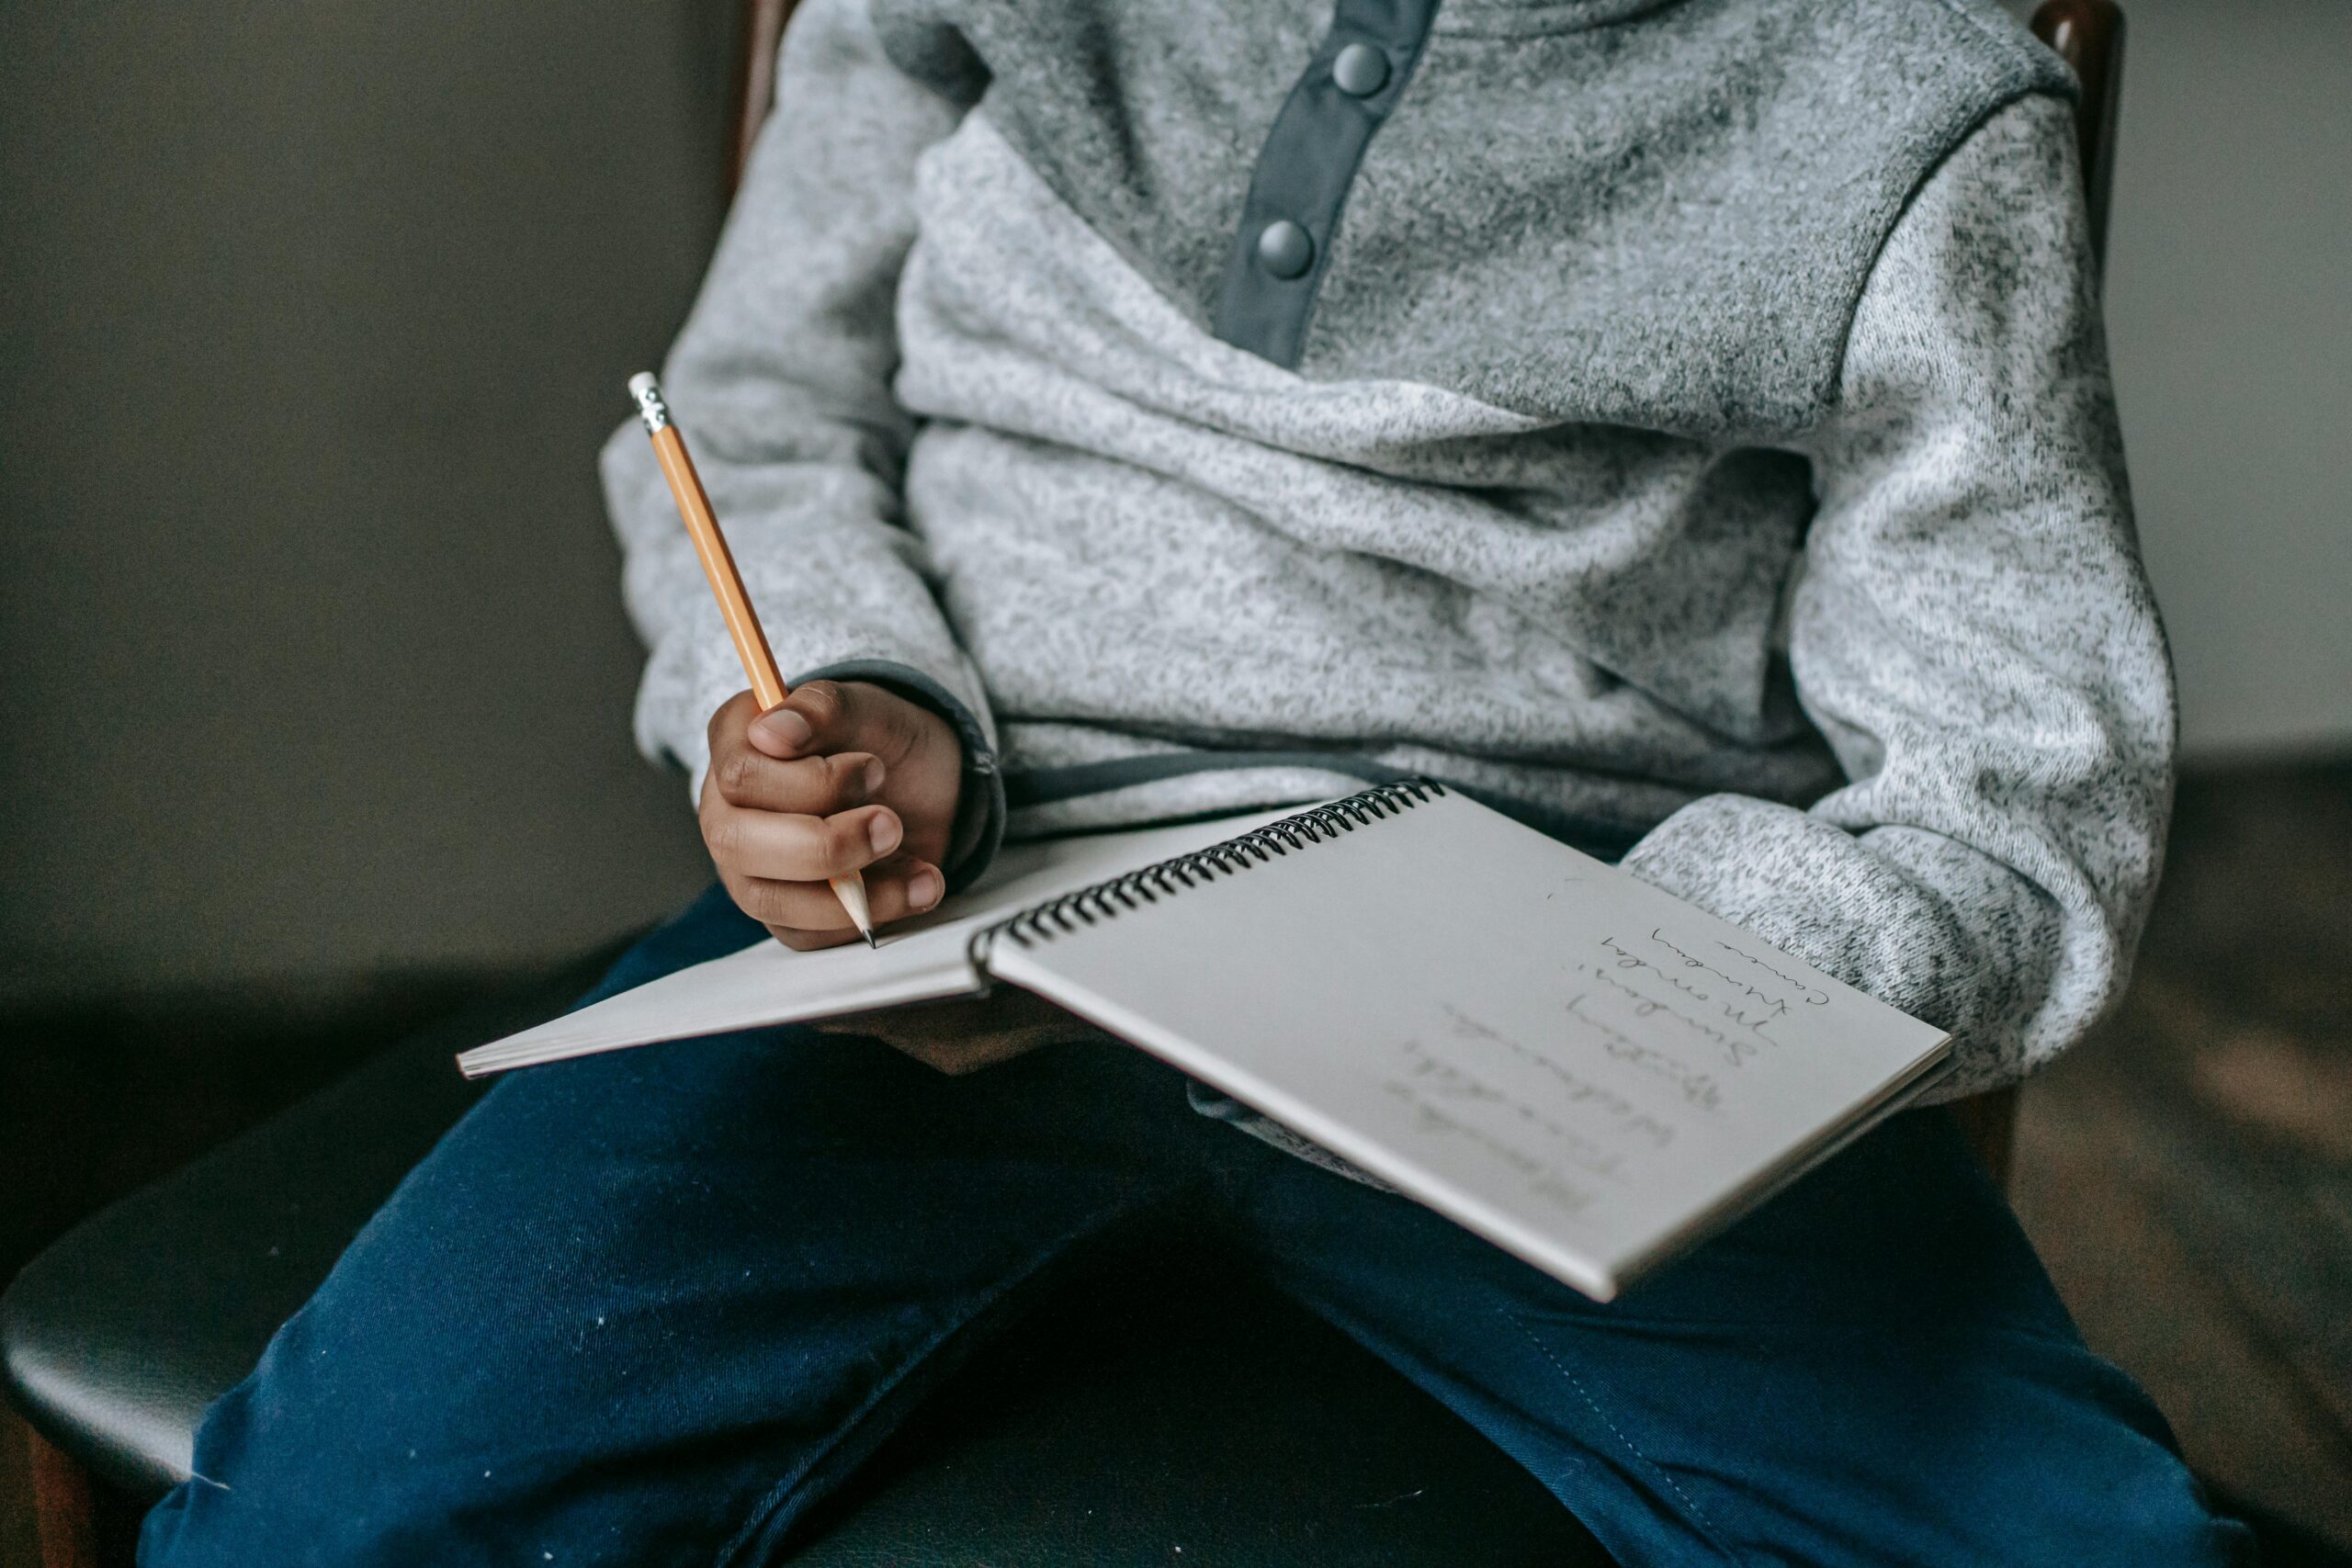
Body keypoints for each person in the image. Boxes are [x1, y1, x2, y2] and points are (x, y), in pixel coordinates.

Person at [141, 0, 2255, 1562]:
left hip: (1595, 983)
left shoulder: (1910, 102)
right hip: (960, 914)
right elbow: (759, 409)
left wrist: (1677, 964)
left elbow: (2018, 780)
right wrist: (848, 696)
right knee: (332, 1513)